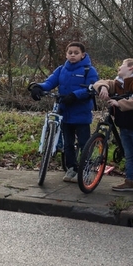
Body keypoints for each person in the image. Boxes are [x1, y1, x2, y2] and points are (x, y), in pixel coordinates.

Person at [29, 41, 99, 183]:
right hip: (65, 113)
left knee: (84, 143)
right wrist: (38, 87)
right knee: (68, 143)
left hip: (81, 113)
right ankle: (71, 167)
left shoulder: (89, 70)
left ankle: (86, 168)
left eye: (76, 53)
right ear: (66, 54)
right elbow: (50, 82)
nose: (72, 55)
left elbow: (91, 88)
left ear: (82, 55)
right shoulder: (61, 69)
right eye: (70, 52)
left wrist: (75, 95)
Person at [92, 58, 133, 196]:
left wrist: (120, 103)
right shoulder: (118, 83)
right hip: (124, 125)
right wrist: (103, 88)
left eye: (122, 65)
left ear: (131, 68)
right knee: (129, 155)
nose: (119, 67)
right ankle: (130, 181)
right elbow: (102, 82)